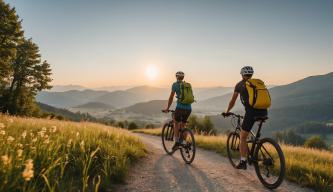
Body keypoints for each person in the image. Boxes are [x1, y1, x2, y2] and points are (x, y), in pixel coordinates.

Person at [224, 66, 267, 170]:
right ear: (251, 74)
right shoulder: (257, 83)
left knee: (242, 137)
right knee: (251, 135)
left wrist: (227, 111)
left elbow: (233, 101)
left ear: (242, 74)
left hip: (251, 113)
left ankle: (243, 161)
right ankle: (254, 151)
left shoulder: (240, 85)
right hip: (264, 111)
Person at [163, 71, 192, 150]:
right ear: (183, 78)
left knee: (176, 122)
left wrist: (167, 108)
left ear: (176, 77)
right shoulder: (188, 85)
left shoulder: (175, 85)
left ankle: (176, 142)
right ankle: (186, 142)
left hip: (180, 108)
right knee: (183, 125)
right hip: (189, 108)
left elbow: (171, 97)